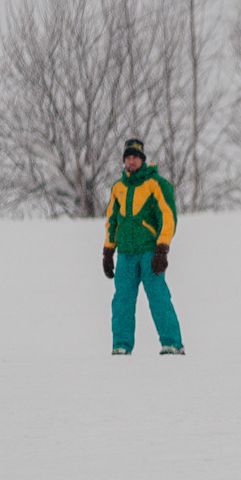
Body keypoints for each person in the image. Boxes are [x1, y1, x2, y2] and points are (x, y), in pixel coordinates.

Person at [103, 138, 184, 355]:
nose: (131, 161)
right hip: (126, 254)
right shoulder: (118, 187)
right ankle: (120, 346)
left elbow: (168, 216)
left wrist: (162, 249)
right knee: (122, 302)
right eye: (128, 157)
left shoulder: (155, 184)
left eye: (135, 157)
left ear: (142, 159)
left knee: (158, 297)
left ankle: (173, 344)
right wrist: (108, 250)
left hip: (150, 252)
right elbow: (112, 219)